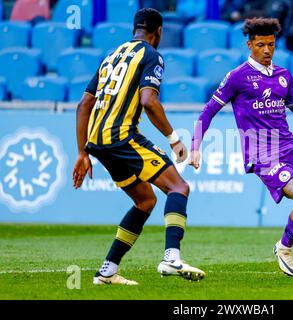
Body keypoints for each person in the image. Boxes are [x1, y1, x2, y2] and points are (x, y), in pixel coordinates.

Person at [189, 18, 293, 277]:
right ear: (249, 44)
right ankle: (284, 247)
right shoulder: (237, 77)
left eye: (271, 45)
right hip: (262, 154)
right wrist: (196, 146)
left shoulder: (283, 76)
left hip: (291, 148)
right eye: (261, 45)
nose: (266, 50)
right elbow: (208, 112)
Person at [72, 8, 205, 285]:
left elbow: (84, 103)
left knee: (145, 201)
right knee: (179, 187)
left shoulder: (111, 56)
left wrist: (82, 152)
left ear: (134, 29)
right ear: (159, 32)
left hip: (97, 142)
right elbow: (149, 101)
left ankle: (107, 271)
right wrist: (174, 139)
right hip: (122, 137)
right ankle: (171, 257)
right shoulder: (152, 55)